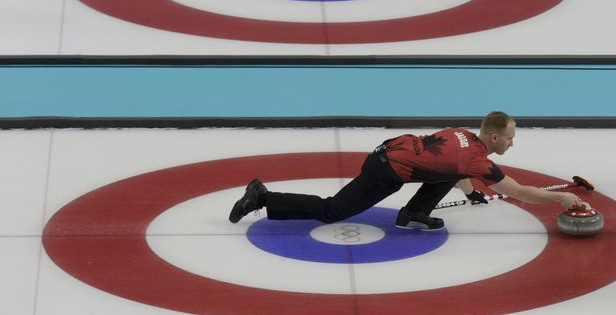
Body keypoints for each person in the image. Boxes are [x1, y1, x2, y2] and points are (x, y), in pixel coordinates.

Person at [229, 111, 589, 230]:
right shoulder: (478, 160)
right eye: (510, 138)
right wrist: (560, 199)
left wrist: (471, 191)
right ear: (494, 137)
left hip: (389, 153)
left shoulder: (463, 136)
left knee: (447, 174)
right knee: (332, 211)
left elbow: (451, 167)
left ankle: (414, 213)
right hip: (385, 171)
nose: (512, 144)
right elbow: (518, 191)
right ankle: (264, 195)